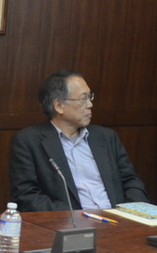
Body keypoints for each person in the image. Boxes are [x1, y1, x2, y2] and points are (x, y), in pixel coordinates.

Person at [9, 69, 149, 212]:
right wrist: (74, 217)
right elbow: (27, 196)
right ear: (59, 106)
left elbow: (131, 181)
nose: (90, 104)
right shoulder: (29, 141)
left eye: (90, 97)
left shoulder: (106, 137)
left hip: (117, 218)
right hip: (71, 221)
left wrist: (131, 213)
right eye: (83, 98)